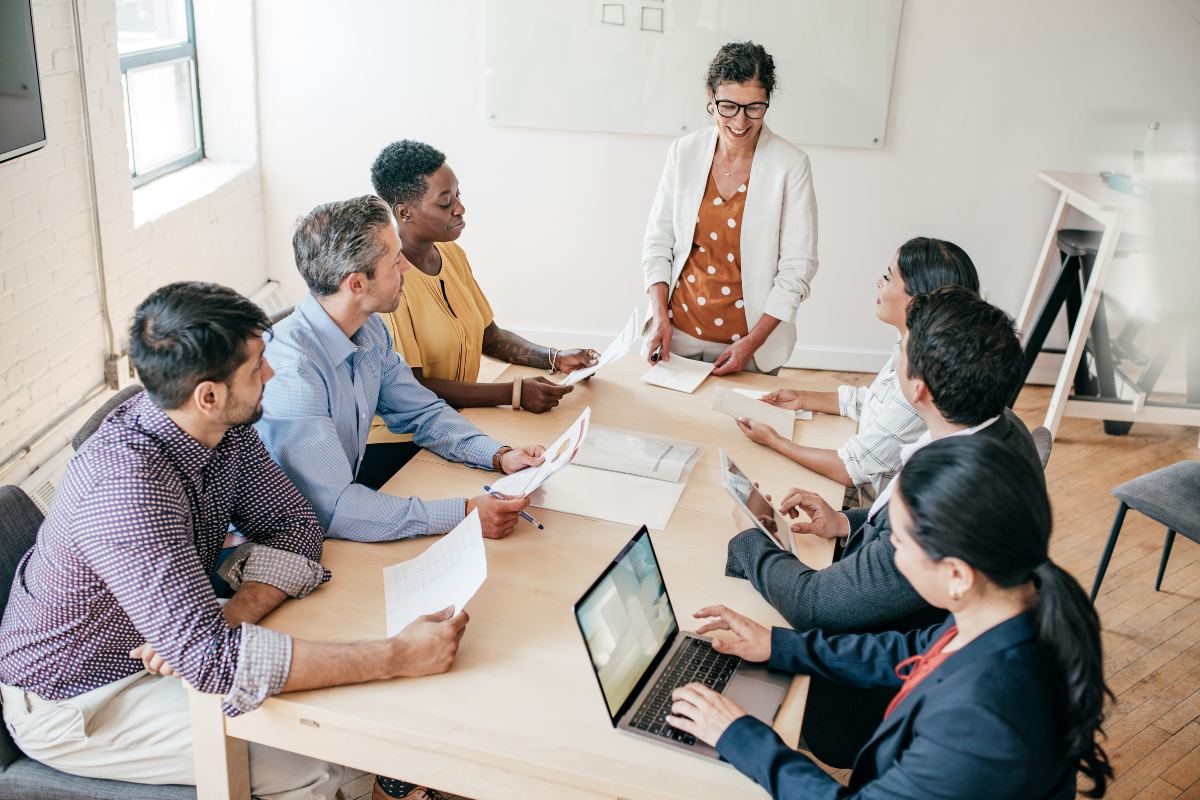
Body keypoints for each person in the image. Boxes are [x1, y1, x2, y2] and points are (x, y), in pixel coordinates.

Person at [0, 283, 470, 799]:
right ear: (209, 393)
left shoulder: (223, 425)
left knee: (344, 689)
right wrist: (395, 656)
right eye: (256, 367)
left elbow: (295, 525)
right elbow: (213, 664)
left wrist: (229, 617)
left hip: (179, 638)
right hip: (82, 695)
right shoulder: (127, 488)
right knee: (312, 759)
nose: (270, 373)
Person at [667, 436, 1113, 800]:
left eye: (896, 543)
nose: (888, 554)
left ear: (956, 573)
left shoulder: (980, 723)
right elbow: (915, 649)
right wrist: (779, 645)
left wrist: (738, 734)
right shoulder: (1008, 598)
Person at [725, 286, 1041, 766]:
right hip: (915, 644)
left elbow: (816, 607)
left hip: (866, 702)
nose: (895, 357)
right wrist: (848, 523)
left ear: (919, 389)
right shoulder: (1002, 427)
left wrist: (751, 539)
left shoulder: (946, 513)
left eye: (902, 348)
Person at [257, 195, 544, 542]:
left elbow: (422, 411)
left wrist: (499, 455)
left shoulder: (369, 328)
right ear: (356, 284)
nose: (406, 267)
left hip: (336, 519)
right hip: (289, 540)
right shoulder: (295, 375)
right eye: (395, 261)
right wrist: (464, 513)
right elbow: (333, 509)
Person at [736, 237, 979, 506]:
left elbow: (852, 469)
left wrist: (775, 441)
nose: (878, 281)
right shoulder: (911, 347)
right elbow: (871, 403)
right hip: (863, 485)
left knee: (756, 484)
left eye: (888, 277)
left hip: (865, 504)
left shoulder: (919, 382)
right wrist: (802, 398)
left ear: (917, 300)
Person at [641, 41, 817, 375]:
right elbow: (658, 243)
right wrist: (660, 319)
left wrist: (751, 344)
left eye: (754, 108)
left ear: (767, 101)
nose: (740, 122)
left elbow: (798, 268)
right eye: (728, 107)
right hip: (676, 336)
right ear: (711, 96)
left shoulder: (790, 165)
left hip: (750, 347)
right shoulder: (685, 152)